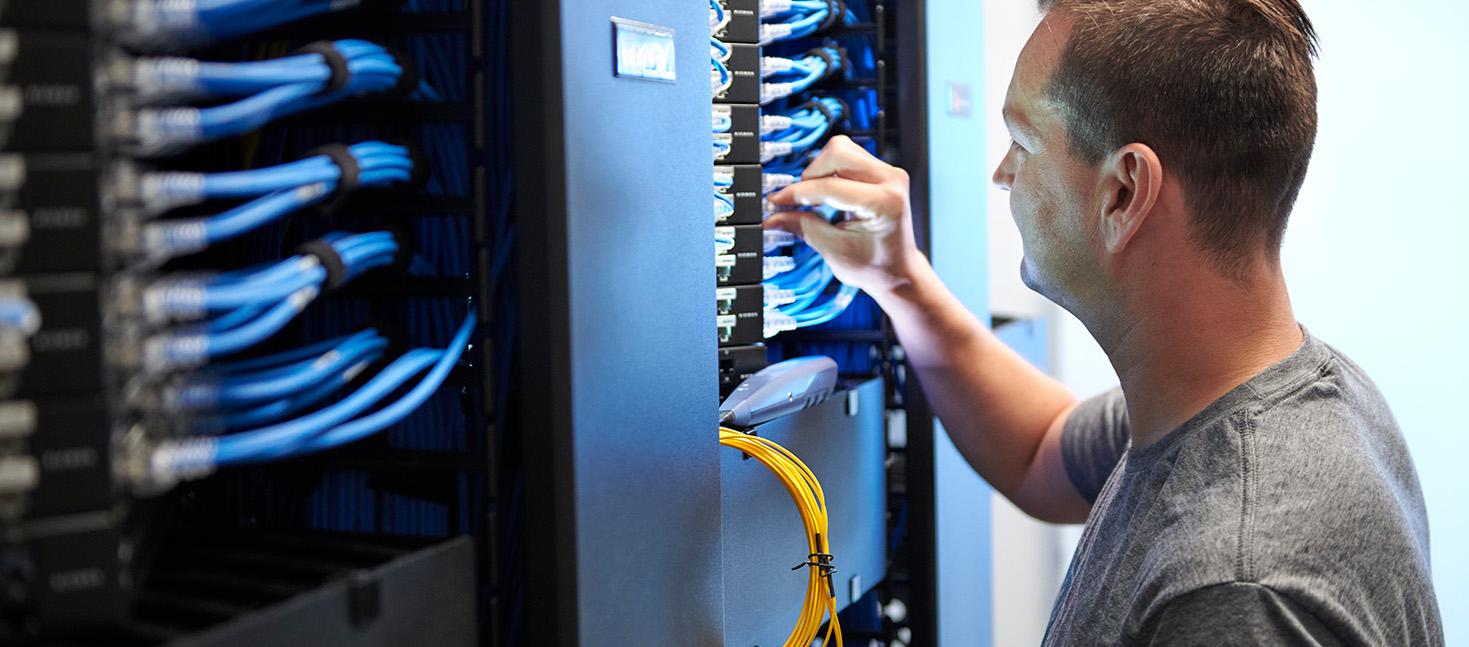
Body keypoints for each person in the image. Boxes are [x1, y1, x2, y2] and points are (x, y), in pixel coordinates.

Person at [766, 0, 1444, 644]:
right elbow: (1039, 451)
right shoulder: (1287, 394)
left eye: (1022, 141)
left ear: (1123, 192)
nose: (1003, 175)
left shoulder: (1235, 588)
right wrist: (898, 279)